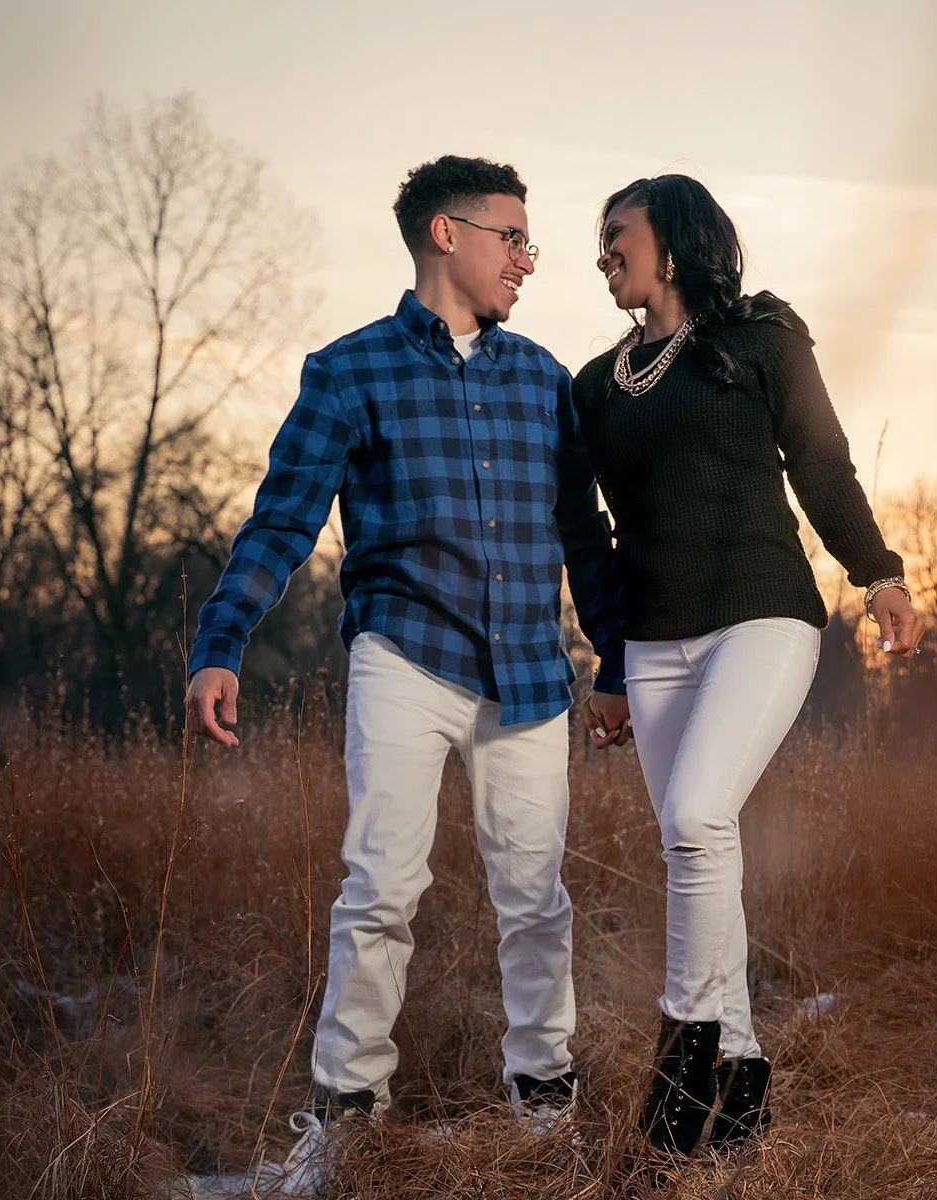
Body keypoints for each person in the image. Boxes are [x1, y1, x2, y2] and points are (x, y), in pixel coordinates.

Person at [185, 155, 631, 1191]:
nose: (528, 259)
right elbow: (282, 521)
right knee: (381, 888)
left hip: (528, 673)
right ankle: (347, 1119)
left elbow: (584, 536)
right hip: (404, 655)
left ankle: (545, 1109)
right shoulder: (351, 371)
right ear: (446, 234)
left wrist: (613, 657)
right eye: (512, 237)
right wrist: (221, 643)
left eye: (529, 241)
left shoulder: (543, 381)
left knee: (537, 898)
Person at [571, 174, 923, 1156]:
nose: (602, 254)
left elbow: (822, 464)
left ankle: (683, 1067)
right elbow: (584, 532)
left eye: (618, 235)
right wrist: (611, 662)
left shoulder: (762, 341)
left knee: (695, 817)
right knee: (698, 845)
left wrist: (879, 573)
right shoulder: (594, 386)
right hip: (653, 643)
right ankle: (743, 1082)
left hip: (762, 618)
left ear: (675, 242)